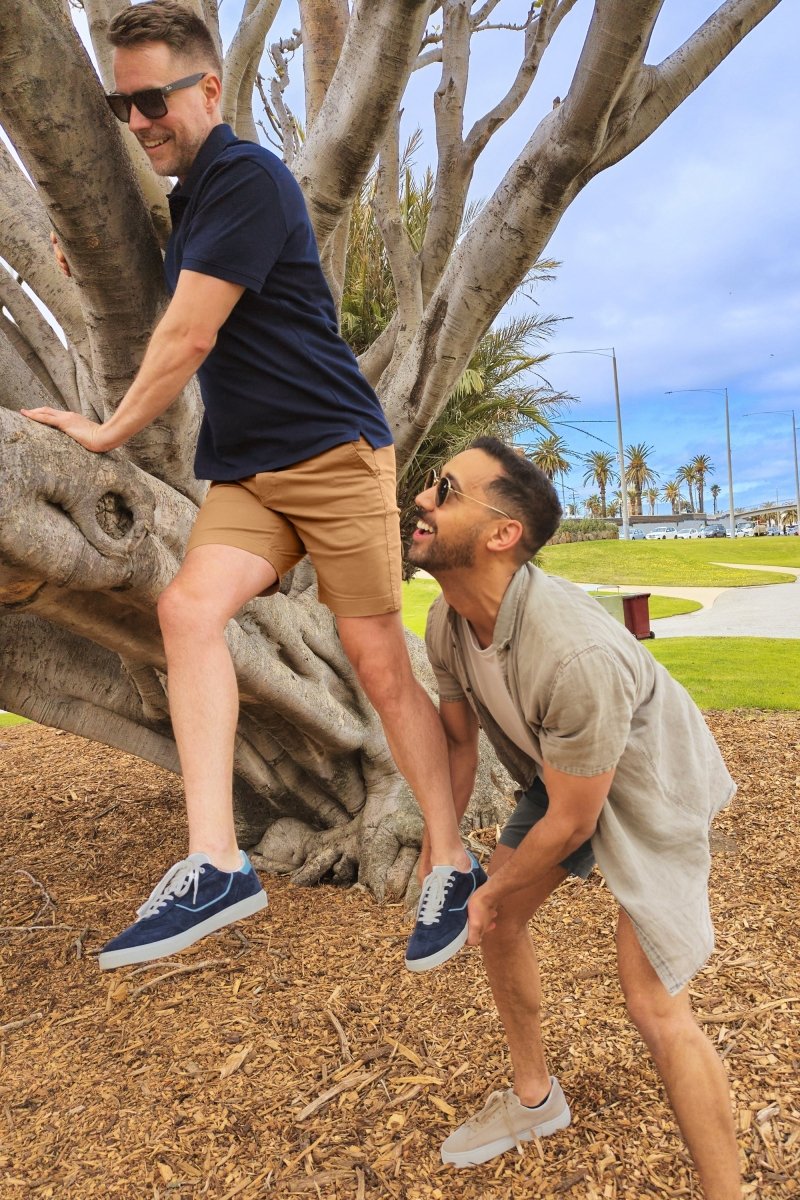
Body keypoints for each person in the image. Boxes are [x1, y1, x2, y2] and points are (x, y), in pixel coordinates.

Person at [24, 0, 483, 973]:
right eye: (122, 105)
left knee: (375, 662)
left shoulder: (242, 177)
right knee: (190, 611)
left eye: (155, 98)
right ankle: (216, 862)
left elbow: (188, 335)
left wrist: (106, 431)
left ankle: (450, 857)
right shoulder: (193, 200)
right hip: (246, 470)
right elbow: (183, 283)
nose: (141, 120)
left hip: (330, 455)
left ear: (209, 89)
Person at [408, 437, 741, 1199]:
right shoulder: (448, 625)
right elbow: (460, 745)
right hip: (566, 777)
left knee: (653, 1005)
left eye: (447, 490)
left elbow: (572, 824)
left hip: (654, 786)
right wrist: (446, 849)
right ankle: (536, 1101)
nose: (423, 499)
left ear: (502, 534)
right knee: (496, 919)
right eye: (431, 485)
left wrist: (486, 892)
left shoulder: (574, 656)